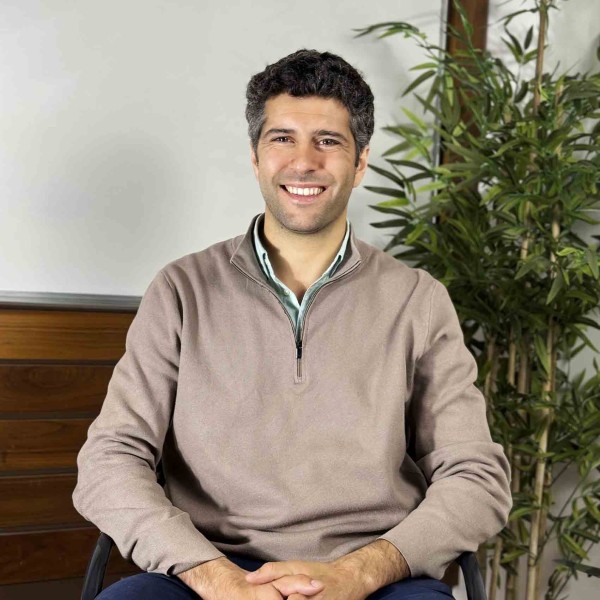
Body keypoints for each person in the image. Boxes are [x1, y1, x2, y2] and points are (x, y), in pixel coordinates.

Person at [73, 49, 512, 600]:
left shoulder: (418, 301)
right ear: (255, 158)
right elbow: (110, 459)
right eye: (282, 138)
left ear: (361, 162)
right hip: (207, 572)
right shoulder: (181, 290)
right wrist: (215, 577)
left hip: (374, 575)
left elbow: (475, 476)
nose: (304, 162)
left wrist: (362, 571)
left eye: (328, 141)